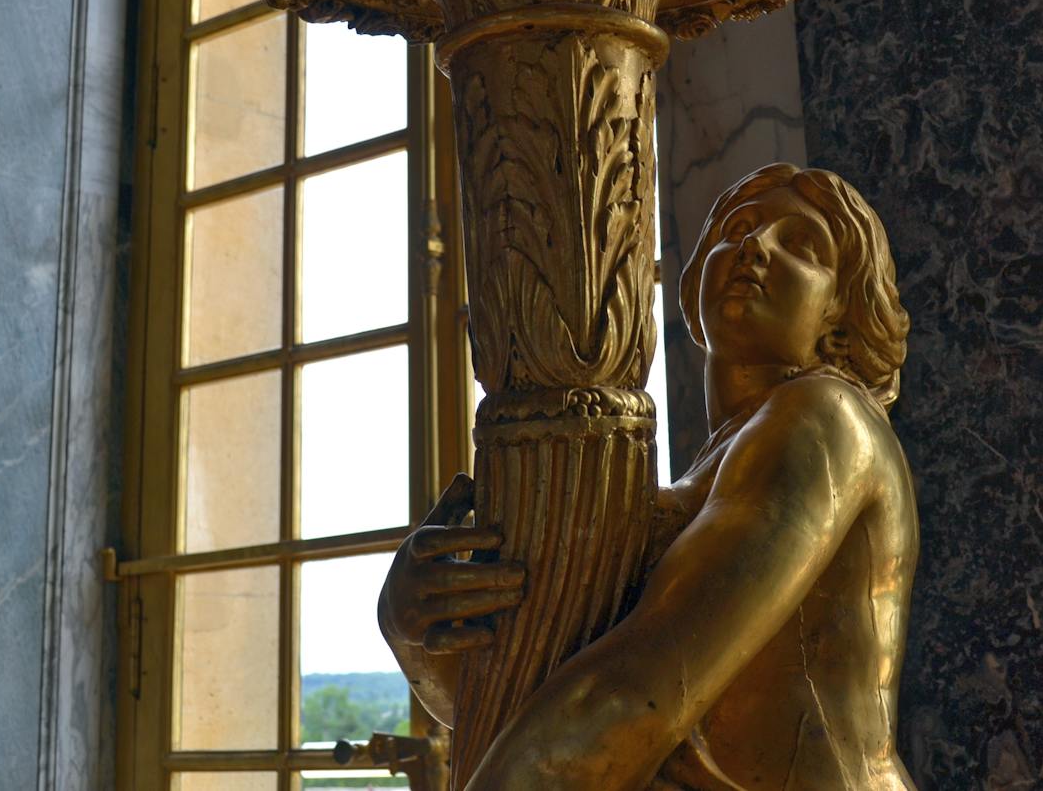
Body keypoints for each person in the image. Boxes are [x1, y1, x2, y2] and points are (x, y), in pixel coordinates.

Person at [380, 163, 919, 790]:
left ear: (841, 315)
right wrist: (414, 630)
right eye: (737, 230)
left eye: (800, 245)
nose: (754, 245)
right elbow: (534, 703)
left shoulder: (828, 419)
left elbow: (636, 693)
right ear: (691, 291)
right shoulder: (714, 470)